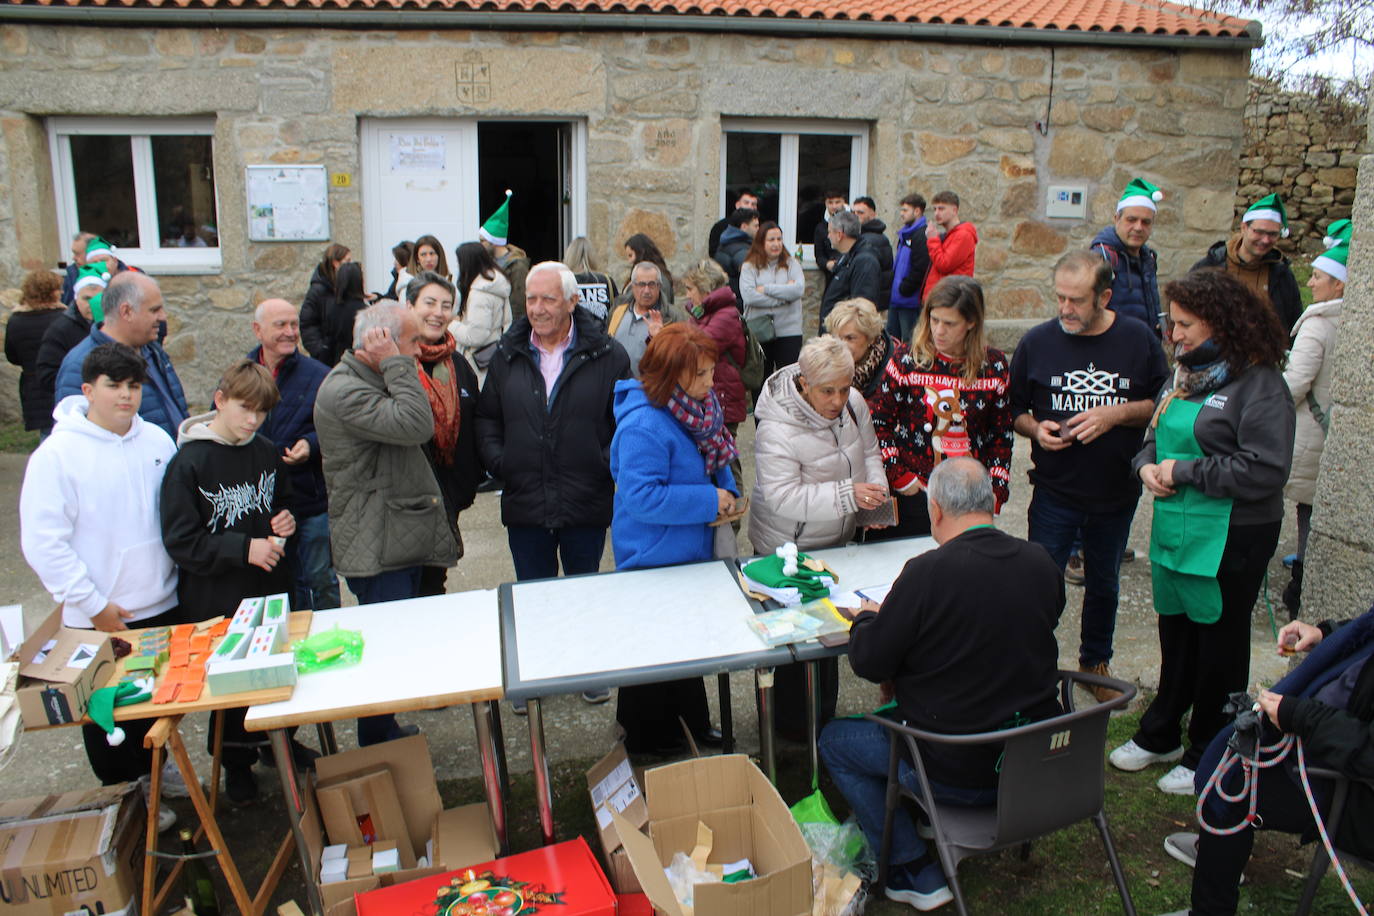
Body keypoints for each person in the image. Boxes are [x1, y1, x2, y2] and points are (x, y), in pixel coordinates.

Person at [819, 458, 1064, 912]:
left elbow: (870, 662)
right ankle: (926, 823)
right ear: (989, 502)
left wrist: (868, 620)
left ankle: (909, 866)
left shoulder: (926, 573)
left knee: (834, 741)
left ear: (935, 510)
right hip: (1033, 762)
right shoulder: (1041, 561)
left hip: (954, 770)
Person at [1111, 269, 1294, 795]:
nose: (1174, 334)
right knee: (1176, 631)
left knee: (1220, 643)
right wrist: (1146, 467)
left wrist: (1185, 471)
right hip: (1178, 528)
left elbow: (1265, 468)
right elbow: (1153, 437)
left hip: (1233, 533)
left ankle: (1210, 748)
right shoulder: (1184, 375)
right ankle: (1162, 730)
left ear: (1222, 322)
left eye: (1185, 324)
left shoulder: (1260, 384)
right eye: (1172, 322)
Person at [20, 343, 180, 802]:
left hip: (161, 602)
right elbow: (43, 543)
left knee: (155, 704)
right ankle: (124, 798)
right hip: (97, 615)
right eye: (114, 386)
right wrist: (93, 605)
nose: (126, 395)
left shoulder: (157, 441)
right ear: (89, 390)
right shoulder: (56, 456)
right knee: (105, 714)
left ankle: (158, 772)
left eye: (134, 385)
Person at [1011, 251, 1169, 702]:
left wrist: (1115, 414)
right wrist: (1035, 430)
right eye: (1060, 297)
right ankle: (1031, 670)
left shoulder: (1137, 339)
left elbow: (1162, 402)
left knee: (1104, 583)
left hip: (1115, 490)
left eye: (1077, 300)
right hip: (1055, 490)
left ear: (1104, 296)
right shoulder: (1037, 342)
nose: (1065, 309)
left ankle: (1094, 664)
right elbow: (1015, 409)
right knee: (1040, 584)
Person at [1157, 610, 1374, 916]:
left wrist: (1299, 716)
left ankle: (1212, 899)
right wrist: (1326, 633)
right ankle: (1219, 852)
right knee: (1228, 762)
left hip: (1350, 788)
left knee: (1229, 787)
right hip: (1325, 745)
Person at [315, 303, 458, 743]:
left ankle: (384, 729)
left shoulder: (367, 380)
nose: (419, 351)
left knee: (393, 641)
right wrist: (397, 364)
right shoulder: (345, 391)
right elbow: (416, 425)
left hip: (393, 536)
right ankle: (377, 741)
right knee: (383, 648)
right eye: (412, 342)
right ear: (382, 341)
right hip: (375, 544)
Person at [477, 262, 630, 668]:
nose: (538, 308)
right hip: (526, 499)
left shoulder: (608, 355)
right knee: (532, 597)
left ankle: (586, 668)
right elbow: (487, 416)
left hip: (585, 497)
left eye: (548, 298)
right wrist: (501, 462)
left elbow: (625, 421)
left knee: (583, 591)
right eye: (531, 298)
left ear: (572, 301)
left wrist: (602, 463)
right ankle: (536, 669)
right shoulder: (507, 354)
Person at [160, 360, 297, 805]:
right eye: (245, 409)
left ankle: (279, 742)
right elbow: (181, 542)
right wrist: (242, 549)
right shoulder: (188, 463)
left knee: (274, 673)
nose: (253, 420)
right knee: (230, 688)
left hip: (268, 589)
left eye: (262, 412)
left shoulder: (265, 451)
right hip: (216, 599)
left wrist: (286, 520)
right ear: (220, 401)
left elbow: (281, 501)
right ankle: (236, 764)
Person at [751, 335, 887, 739]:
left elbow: (870, 454)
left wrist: (874, 504)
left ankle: (822, 724)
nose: (838, 399)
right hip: (788, 550)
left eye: (845, 388)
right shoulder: (776, 427)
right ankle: (787, 732)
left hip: (834, 542)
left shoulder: (853, 403)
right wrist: (849, 496)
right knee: (793, 647)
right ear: (804, 383)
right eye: (828, 391)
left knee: (830, 639)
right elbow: (782, 498)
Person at [609, 323, 737, 754]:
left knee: (687, 645)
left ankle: (690, 724)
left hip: (688, 551)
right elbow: (642, 498)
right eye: (700, 374)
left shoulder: (699, 408)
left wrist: (727, 493)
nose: (710, 382)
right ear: (670, 376)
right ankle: (648, 738)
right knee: (653, 650)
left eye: (711, 371)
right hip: (652, 556)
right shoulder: (643, 425)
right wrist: (709, 501)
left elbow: (715, 458)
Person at [831, 281, 1013, 540]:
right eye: (934, 320)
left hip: (968, 497)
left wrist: (996, 490)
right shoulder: (907, 359)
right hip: (912, 492)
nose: (939, 331)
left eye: (949, 324)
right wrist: (899, 476)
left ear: (971, 322)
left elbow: (1001, 435)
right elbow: (878, 423)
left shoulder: (994, 366)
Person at [248, 298, 339, 612]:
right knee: (280, 582)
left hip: (310, 499)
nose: (290, 332)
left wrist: (311, 445)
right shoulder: (243, 375)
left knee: (320, 578)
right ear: (258, 330)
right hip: (265, 504)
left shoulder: (320, 375)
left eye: (294, 325)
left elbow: (338, 426)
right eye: (280, 325)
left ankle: (328, 630)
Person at [1281, 234, 1349, 615]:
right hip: (1332, 430)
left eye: (1318, 276)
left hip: (1310, 432)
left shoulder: (1318, 325)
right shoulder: (1349, 321)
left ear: (1338, 284)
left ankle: (1303, 588)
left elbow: (1295, 383)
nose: (1310, 282)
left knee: (1307, 509)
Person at [406, 271, 482, 597]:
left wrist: (465, 484)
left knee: (433, 589)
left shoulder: (460, 366)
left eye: (446, 305)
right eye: (429, 303)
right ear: (409, 306)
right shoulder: (393, 362)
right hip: (403, 507)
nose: (438, 312)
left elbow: (474, 424)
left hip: (446, 500)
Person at [55, 272, 189, 441]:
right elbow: (76, 438)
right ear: (126, 312)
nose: (163, 317)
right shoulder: (80, 365)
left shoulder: (152, 350)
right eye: (154, 310)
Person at [1192, 192, 1303, 335]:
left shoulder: (1282, 275)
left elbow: (1294, 324)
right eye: (1259, 232)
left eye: (1272, 234)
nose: (1265, 240)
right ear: (1243, 228)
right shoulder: (1209, 267)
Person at [681, 260, 747, 438]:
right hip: (710, 397)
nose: (687, 295)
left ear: (705, 288)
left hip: (722, 401)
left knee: (724, 453)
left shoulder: (726, 316)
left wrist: (663, 338)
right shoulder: (702, 313)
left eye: (690, 288)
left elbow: (698, 349)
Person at [1091, 177, 1163, 333]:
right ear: (1116, 219)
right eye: (1131, 220)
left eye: (1146, 222)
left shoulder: (1149, 258)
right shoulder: (1102, 257)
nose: (1138, 227)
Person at [36, 265, 105, 429]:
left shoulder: (112, 327)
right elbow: (47, 374)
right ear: (76, 298)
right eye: (86, 298)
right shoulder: (60, 329)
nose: (91, 304)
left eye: (98, 298)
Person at [739, 220, 805, 377]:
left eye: (779, 239)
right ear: (761, 242)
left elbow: (798, 290)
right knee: (761, 380)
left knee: (789, 380)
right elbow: (749, 296)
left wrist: (766, 289)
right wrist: (785, 297)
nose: (776, 244)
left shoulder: (792, 264)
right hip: (759, 332)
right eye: (771, 240)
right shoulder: (749, 266)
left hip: (789, 332)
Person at [6, 269, 65, 434]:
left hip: (32, 384)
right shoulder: (63, 318)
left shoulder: (15, 321)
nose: (61, 292)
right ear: (50, 292)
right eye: (58, 288)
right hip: (58, 380)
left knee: (46, 434)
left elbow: (12, 356)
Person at [607, 262, 688, 378]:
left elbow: (681, 359)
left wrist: (659, 338)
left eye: (651, 285)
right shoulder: (618, 310)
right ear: (633, 286)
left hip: (650, 386)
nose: (646, 290)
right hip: (616, 384)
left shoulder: (672, 317)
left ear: (659, 286)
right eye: (641, 284)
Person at [451, 241, 512, 384]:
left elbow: (475, 336)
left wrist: (451, 325)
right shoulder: (495, 284)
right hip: (495, 354)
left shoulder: (480, 294)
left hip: (479, 364)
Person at [819, 210, 880, 334]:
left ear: (839, 235)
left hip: (844, 335)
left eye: (830, 232)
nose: (828, 236)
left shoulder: (864, 261)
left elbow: (862, 308)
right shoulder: (848, 257)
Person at [479, 192, 531, 321]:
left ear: (494, 242)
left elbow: (518, 302)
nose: (480, 245)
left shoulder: (517, 265)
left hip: (508, 324)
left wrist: (514, 328)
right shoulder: (487, 262)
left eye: (482, 241)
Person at [888, 193, 930, 342]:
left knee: (909, 341)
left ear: (917, 211)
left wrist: (904, 289)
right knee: (892, 341)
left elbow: (920, 268)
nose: (901, 214)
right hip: (896, 300)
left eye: (905, 210)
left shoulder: (921, 235)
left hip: (909, 302)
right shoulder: (905, 235)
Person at [299, 243, 351, 364]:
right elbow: (307, 323)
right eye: (347, 261)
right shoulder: (318, 291)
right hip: (327, 360)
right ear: (336, 263)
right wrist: (321, 350)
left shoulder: (346, 287)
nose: (350, 265)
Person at [923, 191, 977, 298]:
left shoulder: (963, 235)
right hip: (940, 296)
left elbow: (944, 264)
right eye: (935, 209)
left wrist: (933, 240)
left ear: (954, 210)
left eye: (941, 209)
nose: (936, 213)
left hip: (950, 298)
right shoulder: (949, 235)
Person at [851, 196, 894, 311]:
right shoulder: (861, 237)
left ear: (873, 215)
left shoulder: (870, 241)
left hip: (870, 303)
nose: (855, 216)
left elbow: (868, 277)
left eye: (860, 212)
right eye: (853, 212)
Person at [564, 237, 619, 324]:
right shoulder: (606, 280)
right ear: (592, 256)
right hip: (602, 331)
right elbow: (617, 311)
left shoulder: (565, 281)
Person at [711, 207, 759, 304]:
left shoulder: (726, 242)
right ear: (744, 226)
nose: (758, 229)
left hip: (728, 299)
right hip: (739, 302)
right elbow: (753, 274)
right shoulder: (742, 249)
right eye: (755, 226)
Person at [621, 233, 674, 304]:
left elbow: (663, 305)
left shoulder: (660, 279)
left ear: (640, 253)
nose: (629, 261)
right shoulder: (636, 276)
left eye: (631, 255)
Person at [709, 188, 760, 257]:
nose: (750, 207)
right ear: (737, 205)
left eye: (753, 204)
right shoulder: (721, 226)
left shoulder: (758, 226)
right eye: (746, 203)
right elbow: (714, 253)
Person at [813, 189, 848, 290]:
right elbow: (819, 256)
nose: (834, 206)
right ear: (825, 203)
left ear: (843, 202)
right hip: (832, 277)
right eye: (830, 202)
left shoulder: (853, 223)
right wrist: (827, 264)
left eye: (837, 202)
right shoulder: (821, 228)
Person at [60, 230, 96, 306]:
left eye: (77, 254)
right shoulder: (71, 275)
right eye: (74, 253)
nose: (73, 258)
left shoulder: (117, 273)